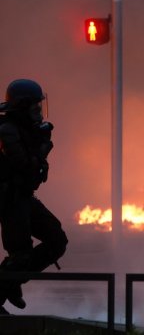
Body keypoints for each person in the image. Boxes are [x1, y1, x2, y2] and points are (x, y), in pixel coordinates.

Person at [0, 79, 68, 314]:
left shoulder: (25, 130)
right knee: (21, 255)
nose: (39, 112)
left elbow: (35, 176)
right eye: (35, 107)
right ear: (22, 106)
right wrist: (41, 149)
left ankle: (11, 282)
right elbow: (24, 168)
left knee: (57, 240)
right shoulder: (7, 130)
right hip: (10, 200)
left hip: (24, 197)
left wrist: (40, 144)